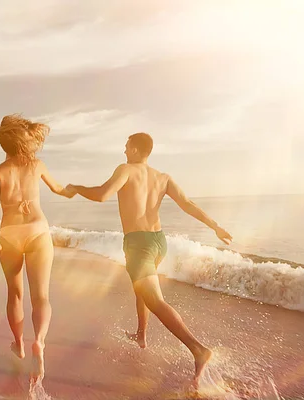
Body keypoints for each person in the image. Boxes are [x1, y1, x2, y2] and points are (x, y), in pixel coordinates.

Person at [66, 133, 233, 386]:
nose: (123, 151)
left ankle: (198, 349)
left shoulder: (126, 169)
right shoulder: (163, 177)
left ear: (134, 149)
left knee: (154, 299)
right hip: (158, 242)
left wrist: (76, 188)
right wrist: (215, 226)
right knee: (141, 288)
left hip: (138, 244)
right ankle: (141, 335)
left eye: (126, 146)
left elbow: (102, 195)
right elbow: (186, 204)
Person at [0, 114, 73, 383]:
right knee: (41, 297)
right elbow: (59, 190)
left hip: (9, 234)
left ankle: (19, 343)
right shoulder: (37, 165)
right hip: (37, 231)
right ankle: (40, 343)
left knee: (15, 293)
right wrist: (78, 190)